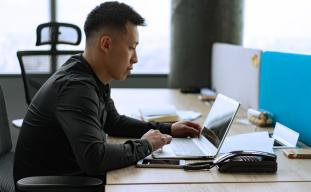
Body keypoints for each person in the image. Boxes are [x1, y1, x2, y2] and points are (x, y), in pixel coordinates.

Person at [13, 1, 201, 185]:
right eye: (131, 48)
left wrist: (169, 129)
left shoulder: (90, 75)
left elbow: (114, 122)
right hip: (53, 186)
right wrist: (147, 145)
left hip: (69, 175)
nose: (135, 58)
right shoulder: (77, 88)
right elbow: (95, 159)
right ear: (106, 44)